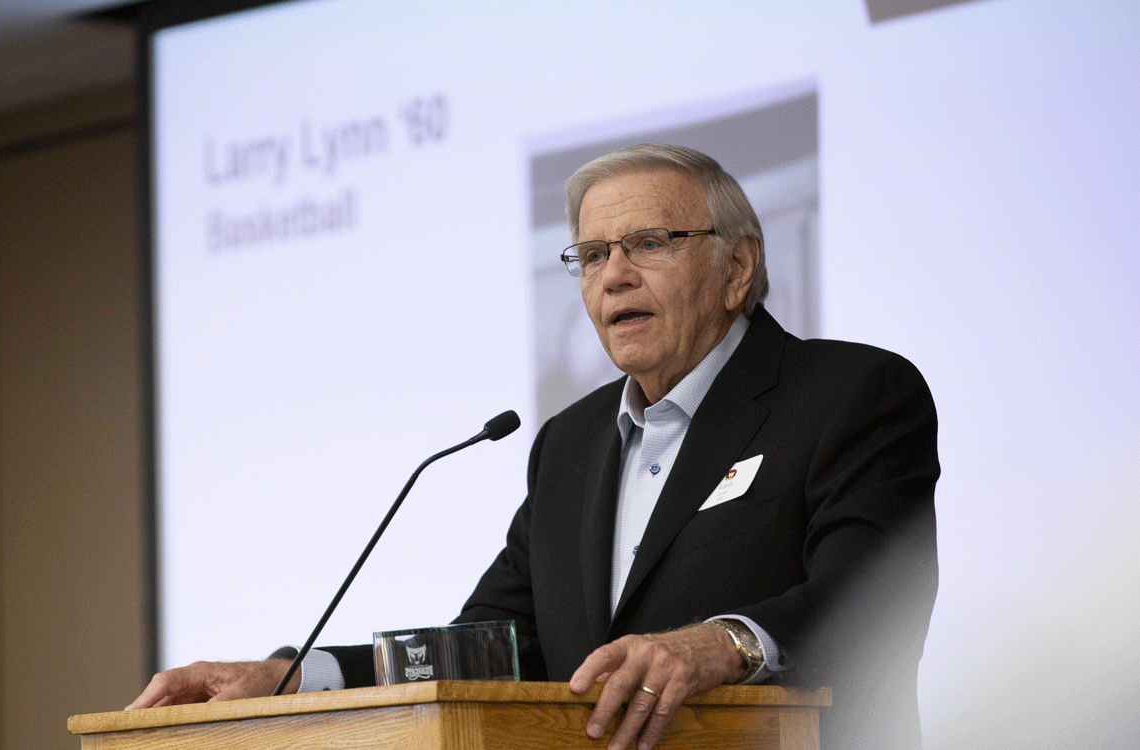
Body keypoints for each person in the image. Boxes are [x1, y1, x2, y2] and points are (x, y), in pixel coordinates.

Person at [127, 144, 939, 750]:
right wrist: (294, 676)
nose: (613, 275)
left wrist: (719, 644)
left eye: (649, 243)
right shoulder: (571, 444)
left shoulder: (847, 394)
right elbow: (493, 644)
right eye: (591, 255)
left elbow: (874, 597)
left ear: (738, 266)